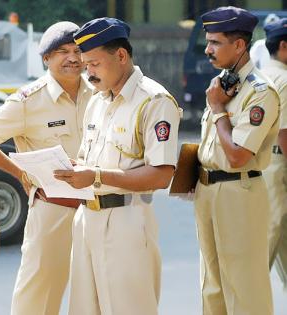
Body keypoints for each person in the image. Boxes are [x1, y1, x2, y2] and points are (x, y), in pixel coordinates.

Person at [53, 17, 181, 315]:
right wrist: (74, 169)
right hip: (87, 219)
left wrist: (94, 175)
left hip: (127, 219)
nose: (89, 73)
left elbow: (162, 175)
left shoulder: (154, 101)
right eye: (86, 66)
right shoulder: (98, 102)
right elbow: (90, 161)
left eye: (95, 64)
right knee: (85, 309)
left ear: (121, 56)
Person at [0, 21, 92, 315]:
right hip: (53, 209)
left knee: (95, 297)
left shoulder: (101, 94)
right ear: (46, 58)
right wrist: (19, 173)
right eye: (63, 52)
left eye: (79, 50)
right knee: (38, 299)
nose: (73, 57)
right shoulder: (29, 101)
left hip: (99, 209)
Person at [194, 7, 279, 315]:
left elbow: (238, 154)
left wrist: (217, 109)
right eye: (208, 41)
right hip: (207, 191)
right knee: (213, 289)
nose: (207, 49)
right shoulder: (221, 84)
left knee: (244, 290)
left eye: (215, 42)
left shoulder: (260, 92)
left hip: (238, 192)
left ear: (240, 45)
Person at [261, 18, 287, 289]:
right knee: (272, 231)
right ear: (283, 46)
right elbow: (285, 132)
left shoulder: (262, 73)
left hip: (264, 162)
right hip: (279, 164)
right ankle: (248, 296)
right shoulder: (284, 79)